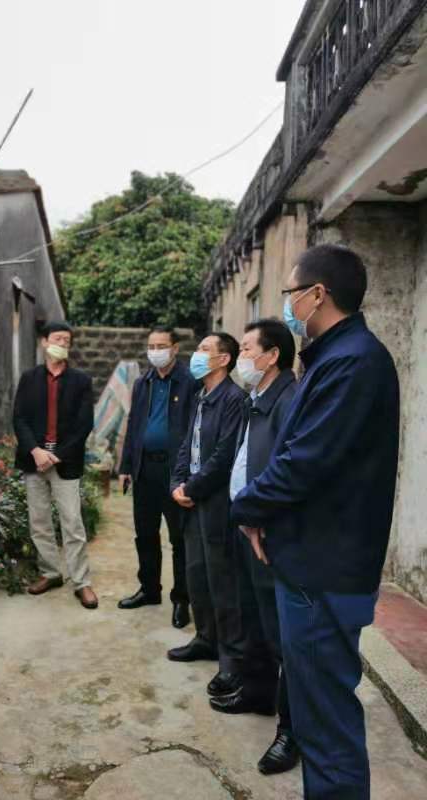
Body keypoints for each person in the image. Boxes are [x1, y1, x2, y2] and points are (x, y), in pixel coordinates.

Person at [231, 244, 400, 800]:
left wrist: (247, 508)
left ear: (317, 294)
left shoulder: (353, 361)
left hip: (323, 570)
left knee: (325, 722)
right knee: (314, 711)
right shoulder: (332, 357)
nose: (286, 304)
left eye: (289, 293)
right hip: (310, 561)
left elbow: (303, 462)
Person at [209, 318, 300, 777]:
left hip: (267, 533)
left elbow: (287, 469)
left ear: (272, 355)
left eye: (247, 349)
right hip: (245, 524)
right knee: (256, 619)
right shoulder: (257, 398)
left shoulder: (289, 399)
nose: (241, 356)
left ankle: (291, 731)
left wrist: (259, 517)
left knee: (284, 638)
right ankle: (259, 693)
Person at [168, 333, 245, 696]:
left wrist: (192, 488)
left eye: (203, 350)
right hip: (193, 500)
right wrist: (177, 483)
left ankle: (230, 659)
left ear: (223, 359)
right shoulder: (201, 396)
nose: (196, 355)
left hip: (216, 503)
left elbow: (224, 456)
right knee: (196, 574)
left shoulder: (234, 400)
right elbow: (188, 445)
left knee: (222, 581)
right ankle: (205, 638)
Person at [13, 321, 98, 610]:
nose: (62, 343)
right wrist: (36, 451)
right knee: (39, 522)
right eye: (57, 338)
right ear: (44, 342)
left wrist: (56, 455)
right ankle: (50, 573)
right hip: (34, 460)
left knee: (72, 523)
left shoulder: (80, 381)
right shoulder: (29, 379)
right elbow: (19, 418)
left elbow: (84, 424)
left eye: (66, 340)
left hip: (65, 462)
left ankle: (81, 582)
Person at [118, 326, 197, 628]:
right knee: (145, 534)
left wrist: (189, 475)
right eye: (151, 346)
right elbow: (134, 425)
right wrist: (126, 467)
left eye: (161, 345)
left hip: (175, 472)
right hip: (145, 470)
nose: (155, 351)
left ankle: (182, 600)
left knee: (179, 539)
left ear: (175, 348)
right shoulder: (143, 383)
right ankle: (149, 590)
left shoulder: (190, 382)